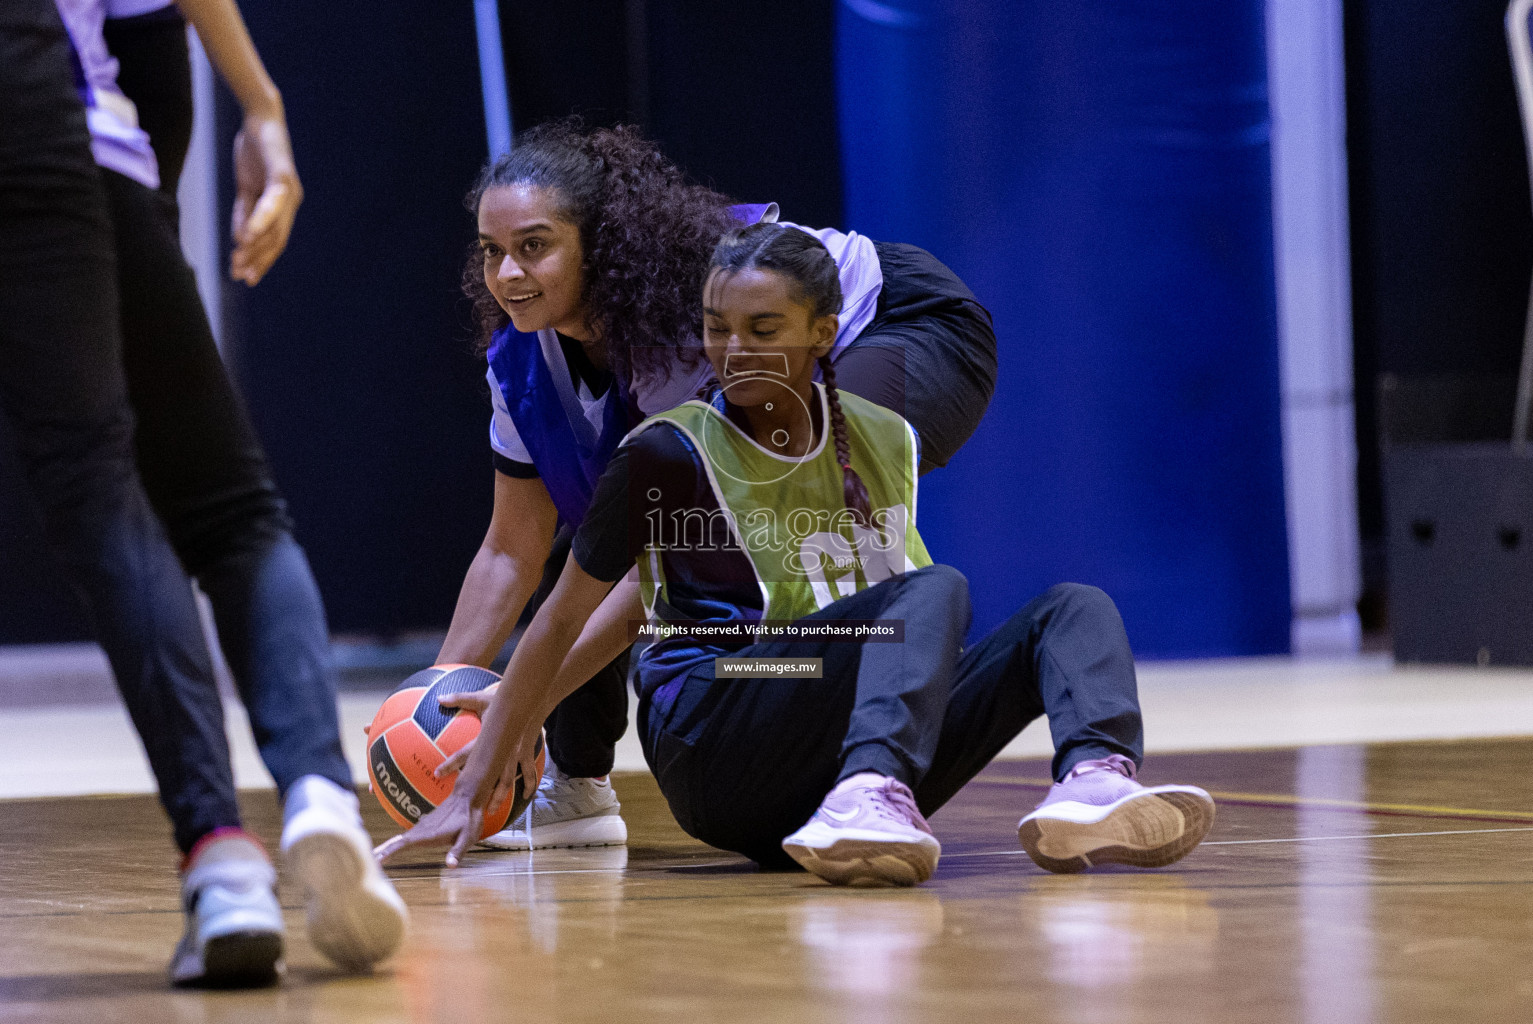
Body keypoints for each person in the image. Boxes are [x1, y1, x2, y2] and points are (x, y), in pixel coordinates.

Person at [378, 224, 1214, 886]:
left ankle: (1094, 784)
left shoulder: (883, 436)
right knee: (929, 594)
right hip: (720, 710)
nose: (734, 351)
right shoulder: (667, 450)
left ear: (825, 333)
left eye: (762, 329)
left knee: (1071, 608)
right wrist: (480, 774)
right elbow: (559, 612)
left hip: (828, 720)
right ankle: (869, 796)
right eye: (715, 331)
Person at [437, 121, 999, 852]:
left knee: (720, 526)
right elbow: (509, 551)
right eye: (492, 252)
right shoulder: (517, 363)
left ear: (597, 245)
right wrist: (432, 694)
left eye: (533, 247)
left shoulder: (684, 324)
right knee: (597, 531)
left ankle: (867, 780)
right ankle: (576, 787)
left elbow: (653, 576)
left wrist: (519, 706)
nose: (508, 274)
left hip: (901, 329)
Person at [2, 0, 406, 986]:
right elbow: (153, 31)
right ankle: (282, 812)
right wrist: (256, 110)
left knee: (100, 491)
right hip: (67, 128)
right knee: (226, 510)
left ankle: (230, 852)